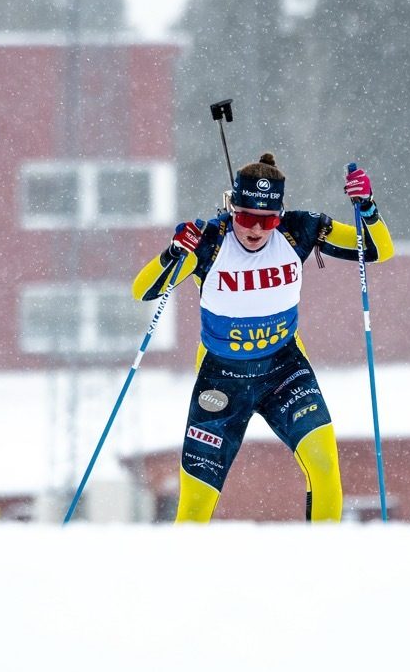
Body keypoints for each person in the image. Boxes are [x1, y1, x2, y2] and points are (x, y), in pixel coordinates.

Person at [132, 152, 395, 522]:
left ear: (280, 214)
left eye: (268, 219)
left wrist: (366, 207)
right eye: (245, 218)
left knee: (324, 468)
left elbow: (377, 250)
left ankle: (326, 561)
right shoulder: (209, 241)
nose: (256, 230)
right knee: (194, 504)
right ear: (232, 207)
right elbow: (143, 291)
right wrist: (174, 252)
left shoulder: (299, 229)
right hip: (222, 381)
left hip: (283, 371)